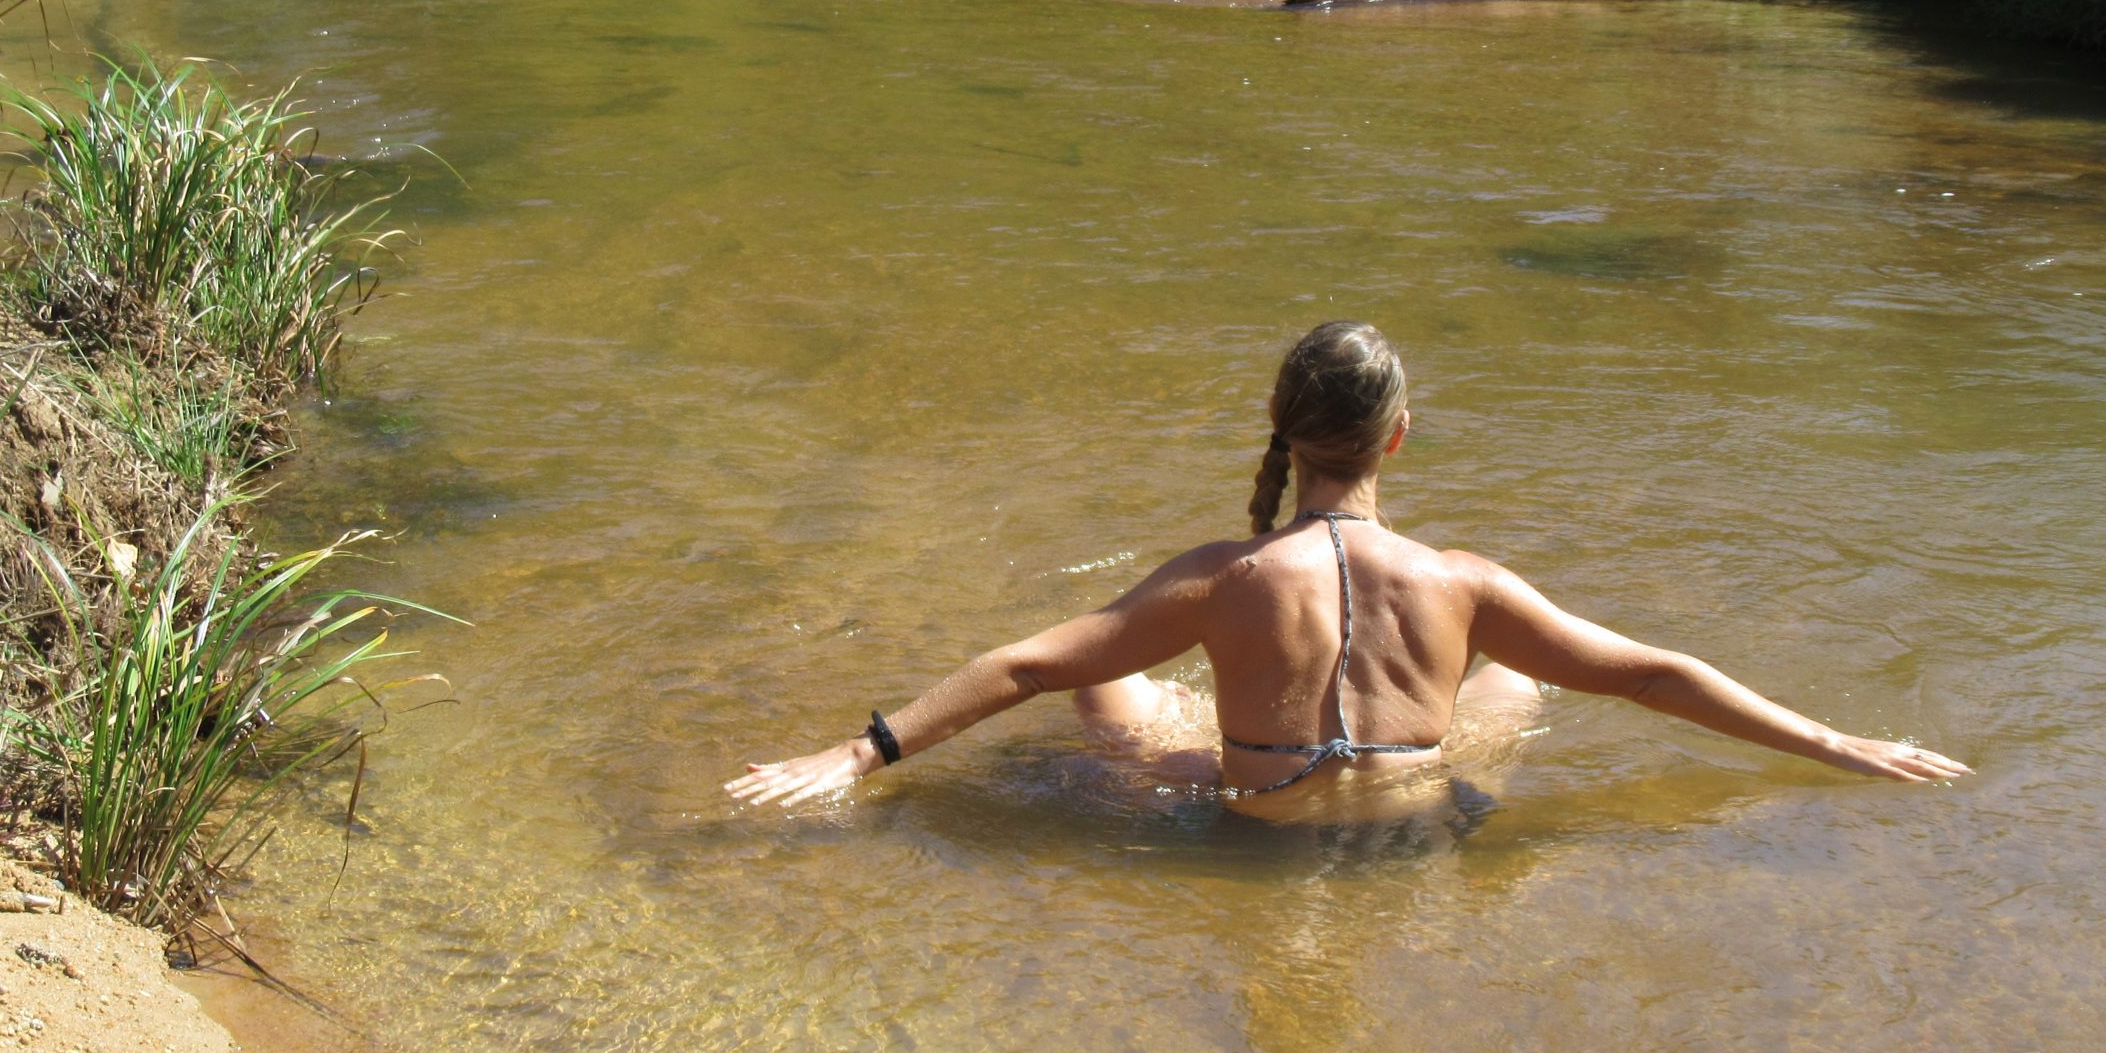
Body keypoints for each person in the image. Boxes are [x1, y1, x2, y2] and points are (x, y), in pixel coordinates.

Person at [726, 321, 1967, 811]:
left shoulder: (1223, 577)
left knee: (1099, 673)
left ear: (1280, 431)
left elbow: (1022, 667)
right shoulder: (1463, 581)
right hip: (1414, 817)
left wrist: (858, 755)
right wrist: (1835, 743)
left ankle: (1221, 730)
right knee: (1517, 677)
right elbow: (1653, 674)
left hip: (1263, 821)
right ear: (1399, 436)